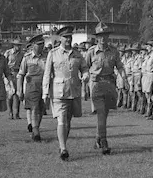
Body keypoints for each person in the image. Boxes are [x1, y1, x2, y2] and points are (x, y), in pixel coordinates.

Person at [43, 25, 88, 160]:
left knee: (68, 121)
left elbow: (84, 68)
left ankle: (63, 144)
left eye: (69, 37)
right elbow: (47, 74)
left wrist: (85, 75)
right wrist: (45, 93)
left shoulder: (77, 54)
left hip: (73, 91)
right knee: (61, 119)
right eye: (65, 37)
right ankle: (63, 148)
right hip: (58, 92)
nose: (68, 39)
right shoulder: (53, 53)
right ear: (60, 38)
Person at [84, 21, 128, 153]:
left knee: (104, 113)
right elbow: (85, 68)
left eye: (105, 36)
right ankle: (104, 141)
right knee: (101, 112)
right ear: (96, 38)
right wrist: (84, 85)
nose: (103, 39)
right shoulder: (91, 52)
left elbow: (119, 66)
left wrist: (124, 79)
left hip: (109, 84)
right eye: (100, 36)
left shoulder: (114, 51)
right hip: (96, 84)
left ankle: (98, 137)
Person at [17, 35, 47, 142]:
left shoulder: (47, 56)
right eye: (39, 44)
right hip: (32, 86)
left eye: (43, 44)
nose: (42, 46)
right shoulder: (27, 58)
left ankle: (36, 128)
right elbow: (21, 74)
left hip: (44, 86)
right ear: (33, 45)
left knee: (41, 109)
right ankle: (36, 131)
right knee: (34, 108)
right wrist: (19, 90)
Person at [4, 38, 25, 120]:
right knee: (10, 94)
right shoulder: (8, 53)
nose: (19, 47)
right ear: (14, 45)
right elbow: (4, 63)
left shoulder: (22, 54)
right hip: (9, 74)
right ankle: (10, 112)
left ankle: (17, 113)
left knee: (18, 94)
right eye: (17, 45)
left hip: (18, 74)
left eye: (20, 45)